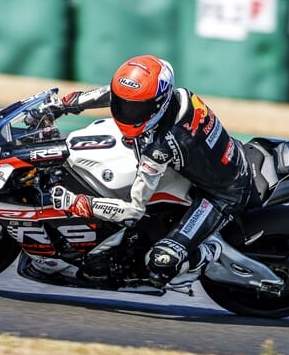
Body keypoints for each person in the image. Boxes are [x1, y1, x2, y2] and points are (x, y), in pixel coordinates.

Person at [44, 54, 254, 289]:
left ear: (158, 103)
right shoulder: (175, 96)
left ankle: (209, 253)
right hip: (212, 161)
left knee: (161, 262)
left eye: (136, 107)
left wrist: (79, 203)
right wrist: (63, 104)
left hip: (222, 194)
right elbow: (113, 94)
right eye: (124, 104)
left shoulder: (162, 146)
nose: (125, 111)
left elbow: (133, 211)